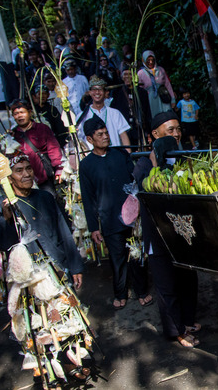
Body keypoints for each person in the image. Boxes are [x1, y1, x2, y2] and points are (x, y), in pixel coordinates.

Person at [0, 152, 93, 385]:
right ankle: (49, 372)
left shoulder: (44, 197)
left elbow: (64, 233)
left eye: (28, 169)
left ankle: (71, 363)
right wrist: (6, 219)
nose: (26, 174)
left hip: (54, 269)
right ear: (9, 177)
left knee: (65, 318)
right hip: (28, 278)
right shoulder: (1, 205)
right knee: (37, 325)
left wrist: (75, 265)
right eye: (19, 171)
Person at [133, 110, 200, 347]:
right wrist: (154, 166)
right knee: (166, 284)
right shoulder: (143, 163)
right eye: (170, 130)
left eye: (178, 129)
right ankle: (177, 331)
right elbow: (143, 192)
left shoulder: (182, 157)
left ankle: (188, 320)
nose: (176, 134)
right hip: (158, 235)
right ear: (154, 134)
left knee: (188, 279)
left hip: (182, 233)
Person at [79, 115, 152, 309]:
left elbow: (134, 180)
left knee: (137, 255)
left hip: (131, 215)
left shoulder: (120, 155)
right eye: (100, 134)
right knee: (117, 258)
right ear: (89, 139)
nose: (105, 137)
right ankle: (120, 293)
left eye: (106, 133)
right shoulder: (86, 165)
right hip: (109, 218)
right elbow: (88, 198)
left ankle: (142, 291)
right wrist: (94, 227)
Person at [9, 99, 63, 196]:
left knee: (49, 200)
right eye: (16, 114)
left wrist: (59, 167)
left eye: (22, 112)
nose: (19, 116)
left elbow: (53, 149)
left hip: (42, 177)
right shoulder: (12, 136)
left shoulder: (42, 128)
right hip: (23, 180)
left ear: (29, 113)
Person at [76, 75, 131, 152]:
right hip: (93, 156)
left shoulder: (115, 113)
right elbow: (79, 140)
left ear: (105, 92)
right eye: (94, 89)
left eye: (100, 89)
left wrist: (128, 155)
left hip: (114, 154)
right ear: (90, 92)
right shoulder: (82, 116)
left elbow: (123, 136)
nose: (97, 92)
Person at [110, 67, 151, 148]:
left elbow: (147, 113)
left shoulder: (142, 93)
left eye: (130, 74)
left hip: (139, 130)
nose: (128, 76)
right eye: (125, 74)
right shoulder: (117, 94)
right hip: (124, 131)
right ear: (122, 77)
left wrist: (149, 132)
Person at [137, 50, 175, 116]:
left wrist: (173, 99)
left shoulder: (160, 70)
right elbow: (140, 90)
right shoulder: (140, 73)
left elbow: (168, 85)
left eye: (152, 60)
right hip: (150, 99)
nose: (151, 62)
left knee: (167, 115)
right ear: (144, 60)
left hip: (163, 95)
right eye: (148, 60)